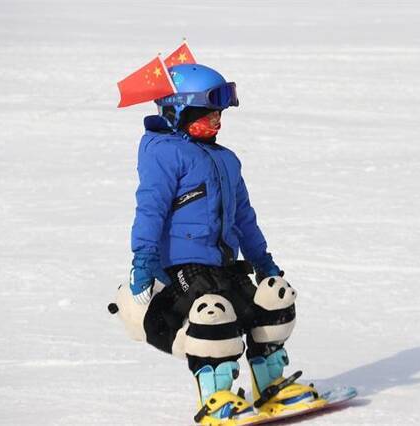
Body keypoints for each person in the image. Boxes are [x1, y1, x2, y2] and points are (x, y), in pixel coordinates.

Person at [126, 63, 322, 424]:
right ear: (177, 112)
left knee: (269, 305)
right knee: (214, 316)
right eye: (209, 114)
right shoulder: (163, 153)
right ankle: (217, 398)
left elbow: (244, 217)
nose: (218, 122)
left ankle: (270, 386)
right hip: (182, 266)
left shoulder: (226, 159)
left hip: (224, 262)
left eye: (219, 114)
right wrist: (143, 260)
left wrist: (264, 264)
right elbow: (150, 209)